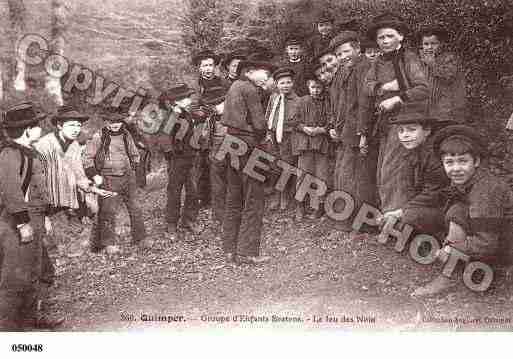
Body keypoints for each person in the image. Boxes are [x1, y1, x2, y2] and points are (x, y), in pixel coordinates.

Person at [413, 125, 513, 296]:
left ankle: (449, 277)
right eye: (449, 163)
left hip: (505, 246)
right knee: (447, 211)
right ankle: (470, 267)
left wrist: (451, 249)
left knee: (457, 213)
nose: (456, 168)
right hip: (496, 239)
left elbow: (486, 243)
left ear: (476, 161)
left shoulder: (486, 189)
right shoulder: (466, 180)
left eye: (463, 161)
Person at [0, 102, 63, 330]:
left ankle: (30, 319)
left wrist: (44, 216)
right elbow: (11, 191)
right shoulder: (9, 153)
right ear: (27, 130)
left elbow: (37, 189)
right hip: (16, 223)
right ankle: (8, 328)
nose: (40, 128)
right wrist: (22, 223)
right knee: (15, 277)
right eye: (36, 125)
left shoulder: (29, 152)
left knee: (39, 271)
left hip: (34, 218)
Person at [364, 12, 430, 213]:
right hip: (385, 123)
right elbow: (366, 86)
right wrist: (384, 88)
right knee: (383, 171)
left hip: (407, 123)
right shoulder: (377, 62)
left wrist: (398, 97)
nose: (385, 41)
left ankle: (398, 223)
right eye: (381, 38)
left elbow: (423, 88)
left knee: (396, 171)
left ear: (400, 36)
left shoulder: (409, 58)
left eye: (389, 36)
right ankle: (390, 218)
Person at [221, 54, 276, 265]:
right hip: (248, 145)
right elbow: (260, 124)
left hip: (230, 143)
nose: (267, 78)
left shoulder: (234, 86)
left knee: (234, 198)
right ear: (250, 71)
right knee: (254, 197)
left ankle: (229, 250)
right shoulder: (250, 89)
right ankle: (247, 252)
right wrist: (265, 138)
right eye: (266, 73)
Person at [327, 31, 378, 231]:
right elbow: (338, 102)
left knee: (361, 178)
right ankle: (346, 219)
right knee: (345, 175)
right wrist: (334, 125)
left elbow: (365, 104)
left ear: (357, 49)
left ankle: (364, 223)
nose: (343, 57)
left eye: (346, 51)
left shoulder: (365, 67)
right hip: (345, 132)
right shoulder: (343, 71)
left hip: (359, 132)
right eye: (339, 54)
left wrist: (363, 134)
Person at [84, 105, 149, 254]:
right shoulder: (99, 136)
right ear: (105, 121)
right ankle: (108, 243)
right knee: (108, 211)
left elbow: (134, 153)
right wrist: (95, 175)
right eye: (111, 121)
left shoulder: (126, 134)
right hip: (108, 178)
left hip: (128, 177)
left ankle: (140, 238)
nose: (115, 124)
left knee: (135, 208)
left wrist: (135, 167)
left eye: (118, 121)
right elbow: (87, 157)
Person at [378, 110, 448, 237]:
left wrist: (401, 212)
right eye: (401, 131)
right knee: (392, 221)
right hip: (423, 206)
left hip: (442, 208)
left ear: (427, 131)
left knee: (407, 218)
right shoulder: (411, 152)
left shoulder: (434, 157)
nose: (405, 135)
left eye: (411, 130)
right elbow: (409, 188)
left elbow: (432, 195)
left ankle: (439, 237)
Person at [156, 84, 204, 238]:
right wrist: (171, 155)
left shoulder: (187, 114)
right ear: (176, 101)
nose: (189, 100)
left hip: (191, 157)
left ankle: (189, 220)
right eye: (185, 98)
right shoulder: (171, 116)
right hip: (177, 160)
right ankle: (171, 225)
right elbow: (163, 137)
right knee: (174, 192)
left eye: (188, 97)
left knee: (193, 191)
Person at [191, 49, 231, 208]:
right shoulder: (196, 86)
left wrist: (224, 108)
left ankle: (221, 198)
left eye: (210, 65)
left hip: (222, 126)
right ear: (199, 68)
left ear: (215, 66)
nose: (208, 68)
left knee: (220, 162)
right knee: (201, 162)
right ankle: (203, 197)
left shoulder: (224, 83)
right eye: (204, 66)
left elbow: (232, 100)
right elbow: (193, 108)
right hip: (202, 128)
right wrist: (211, 110)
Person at [292, 73, 331, 220]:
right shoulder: (302, 101)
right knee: (303, 175)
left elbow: (331, 119)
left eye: (318, 87)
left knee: (322, 176)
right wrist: (303, 128)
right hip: (305, 144)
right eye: (313, 87)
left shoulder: (327, 101)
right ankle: (300, 206)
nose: (316, 90)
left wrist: (322, 129)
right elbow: (293, 120)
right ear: (308, 87)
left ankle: (320, 206)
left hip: (321, 144)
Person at [265, 67, 302, 211]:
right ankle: (277, 195)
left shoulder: (297, 101)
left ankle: (284, 196)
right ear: (276, 84)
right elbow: (268, 114)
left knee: (286, 166)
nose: (285, 85)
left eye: (288, 82)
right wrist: (268, 132)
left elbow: (298, 121)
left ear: (292, 83)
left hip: (288, 137)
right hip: (273, 136)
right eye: (282, 83)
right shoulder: (274, 97)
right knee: (275, 166)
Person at [418, 25, 467, 123]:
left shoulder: (449, 59)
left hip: (448, 111)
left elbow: (448, 76)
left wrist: (432, 64)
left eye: (434, 44)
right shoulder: (420, 61)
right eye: (426, 44)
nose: (429, 47)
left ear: (441, 44)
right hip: (427, 110)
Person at [199, 86, 229, 228]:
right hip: (215, 155)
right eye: (213, 105)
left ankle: (235, 214)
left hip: (234, 155)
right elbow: (205, 137)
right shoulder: (210, 120)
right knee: (217, 186)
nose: (216, 107)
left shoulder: (236, 117)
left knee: (234, 185)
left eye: (219, 103)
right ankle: (219, 216)